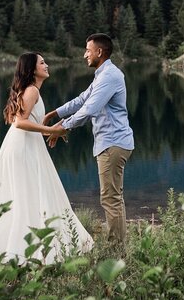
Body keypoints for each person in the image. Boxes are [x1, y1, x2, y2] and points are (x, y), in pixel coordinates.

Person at [0, 52, 93, 263]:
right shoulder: (31, 90)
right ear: (32, 69)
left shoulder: (32, 90)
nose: (47, 65)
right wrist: (50, 130)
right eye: (42, 63)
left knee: (27, 192)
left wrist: (48, 131)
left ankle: (27, 240)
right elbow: (19, 122)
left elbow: (21, 120)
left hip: (24, 144)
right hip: (22, 145)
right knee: (26, 192)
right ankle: (20, 245)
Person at [43, 33, 134, 245]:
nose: (85, 55)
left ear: (99, 52)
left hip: (112, 143)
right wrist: (55, 113)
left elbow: (89, 110)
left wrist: (61, 127)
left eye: (88, 50)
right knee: (114, 197)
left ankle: (115, 249)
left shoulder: (110, 76)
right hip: (112, 142)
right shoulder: (103, 75)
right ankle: (118, 246)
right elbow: (82, 99)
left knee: (110, 198)